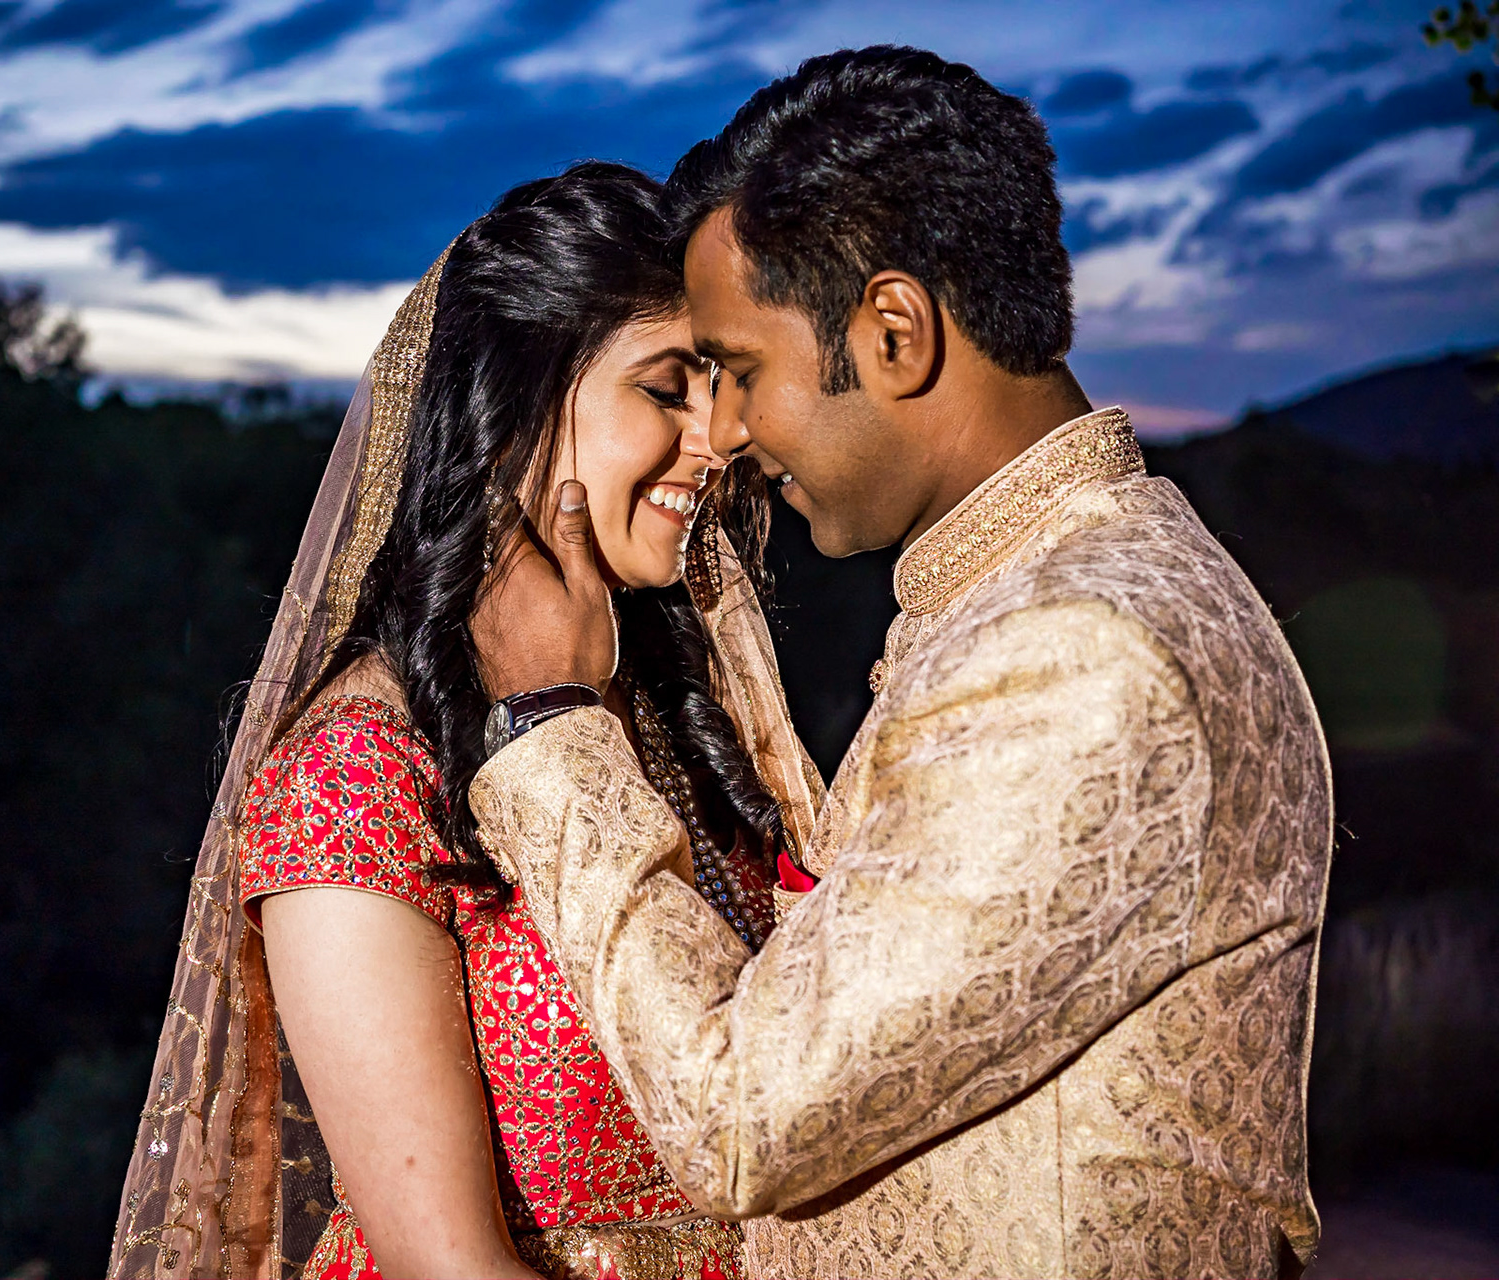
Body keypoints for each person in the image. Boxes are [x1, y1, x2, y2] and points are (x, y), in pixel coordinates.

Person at [467, 47, 1333, 1280]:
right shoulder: (1048, 593)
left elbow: (740, 1114)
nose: (725, 433)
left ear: (893, 331)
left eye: (743, 370)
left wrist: (547, 725)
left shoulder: (1078, 652)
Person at [108, 162, 824, 1280]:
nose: (721, 436)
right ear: (516, 410)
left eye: (724, 386)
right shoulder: (355, 773)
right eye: (666, 389)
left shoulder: (681, 713)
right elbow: (451, 1264)